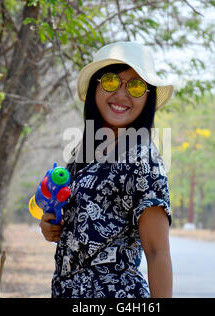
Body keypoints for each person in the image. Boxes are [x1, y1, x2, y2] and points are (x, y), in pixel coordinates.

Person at [40, 41, 174, 298]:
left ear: (147, 98)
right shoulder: (87, 153)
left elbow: (158, 252)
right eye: (111, 81)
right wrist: (51, 226)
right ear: (95, 88)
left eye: (135, 86)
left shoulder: (143, 159)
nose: (122, 95)